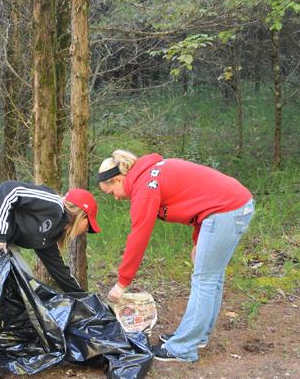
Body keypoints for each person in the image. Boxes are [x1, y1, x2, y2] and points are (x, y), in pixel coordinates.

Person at [97, 150, 254, 363]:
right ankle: (196, 336)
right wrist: (198, 240)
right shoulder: (147, 175)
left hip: (227, 209)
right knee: (211, 278)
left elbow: (139, 237)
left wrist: (122, 283)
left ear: (118, 179)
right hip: (231, 206)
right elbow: (200, 197)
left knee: (204, 280)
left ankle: (183, 347)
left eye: (111, 191)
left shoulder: (145, 188)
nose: (115, 197)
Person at [0, 180, 101, 379]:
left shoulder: (49, 236)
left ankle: (1, 344)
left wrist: (86, 301)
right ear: (82, 215)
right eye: (88, 225)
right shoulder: (53, 205)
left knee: (26, 282)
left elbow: (60, 272)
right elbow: (10, 190)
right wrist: (0, 231)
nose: (86, 231)